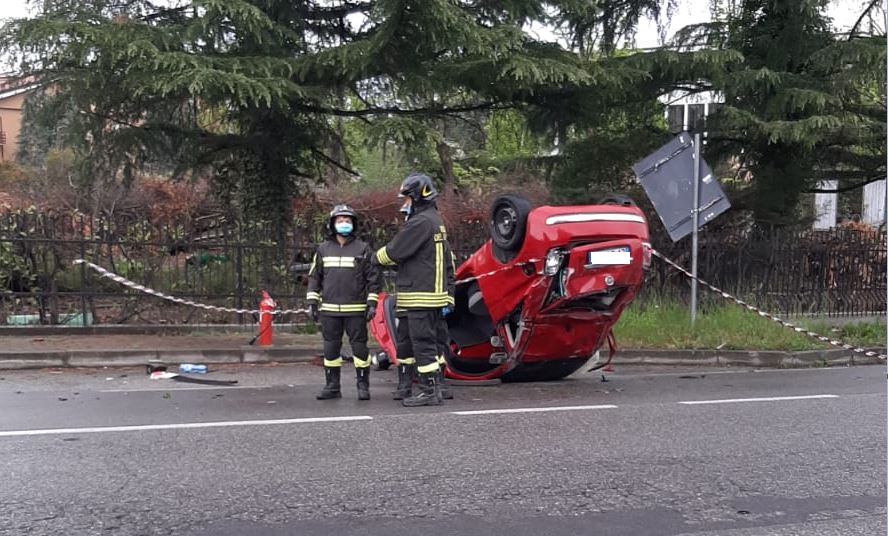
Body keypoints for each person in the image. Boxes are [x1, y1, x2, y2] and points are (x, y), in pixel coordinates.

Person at [374, 173, 452, 407]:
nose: (404, 203)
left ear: (418, 197)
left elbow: (395, 251)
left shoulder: (420, 223)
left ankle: (429, 391)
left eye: (407, 198)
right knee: (420, 343)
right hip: (426, 296)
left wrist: (372, 258)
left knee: (423, 344)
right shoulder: (434, 220)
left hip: (420, 296)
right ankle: (431, 387)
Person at [306, 204, 380, 401]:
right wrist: (312, 302)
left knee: (360, 349)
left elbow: (373, 279)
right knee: (330, 349)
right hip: (329, 310)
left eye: (348, 220)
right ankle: (332, 387)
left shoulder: (363, 249)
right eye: (340, 220)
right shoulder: (323, 249)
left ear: (353, 224)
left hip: (356, 310)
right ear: (333, 224)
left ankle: (363, 386)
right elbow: (314, 277)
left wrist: (372, 303)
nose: (344, 223)